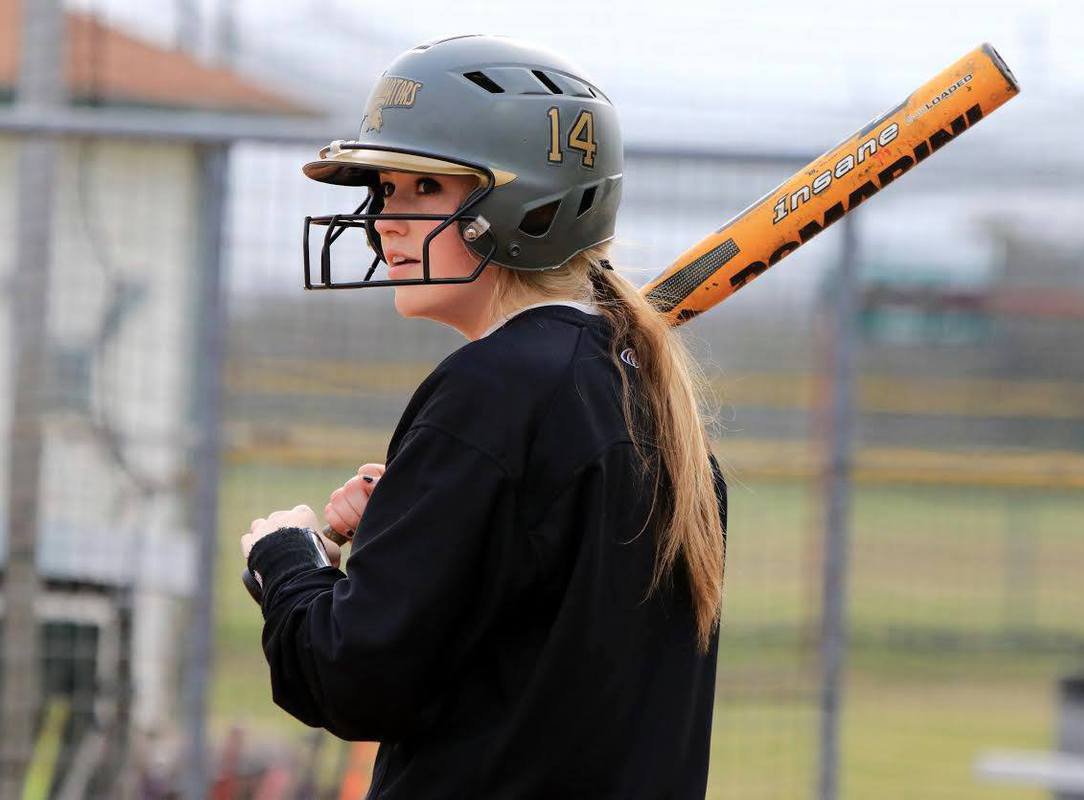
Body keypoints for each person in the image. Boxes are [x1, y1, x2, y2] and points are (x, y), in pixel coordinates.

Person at [240, 34, 728, 799]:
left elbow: (351, 679)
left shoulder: (493, 388)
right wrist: (415, 527)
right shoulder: (636, 388)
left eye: (421, 190)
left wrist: (288, 561)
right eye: (383, 192)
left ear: (523, 203)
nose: (383, 221)